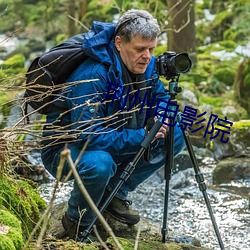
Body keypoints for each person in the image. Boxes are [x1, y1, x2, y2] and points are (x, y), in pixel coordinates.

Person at [41, 9, 185, 241]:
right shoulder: (92, 75)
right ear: (119, 43)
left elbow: (162, 99)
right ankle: (76, 221)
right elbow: (87, 136)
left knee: (175, 133)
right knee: (100, 164)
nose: (147, 56)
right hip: (66, 150)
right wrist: (142, 135)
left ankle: (115, 193)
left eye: (151, 49)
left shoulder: (145, 66)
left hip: (116, 136)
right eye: (140, 49)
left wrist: (164, 115)